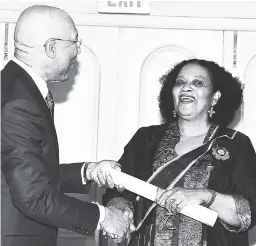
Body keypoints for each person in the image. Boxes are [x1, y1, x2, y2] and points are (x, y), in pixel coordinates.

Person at [1, 5, 133, 246]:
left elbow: (26, 174)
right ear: (51, 48)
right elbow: (33, 197)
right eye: (74, 41)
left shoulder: (16, 88)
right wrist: (103, 216)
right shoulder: (18, 101)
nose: (78, 50)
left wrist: (87, 171)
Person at [103, 59, 256, 246]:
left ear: (215, 97)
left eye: (198, 83)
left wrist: (204, 195)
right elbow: (117, 190)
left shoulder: (235, 144)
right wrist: (120, 209)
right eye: (180, 82)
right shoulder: (146, 138)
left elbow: (249, 212)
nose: (186, 88)